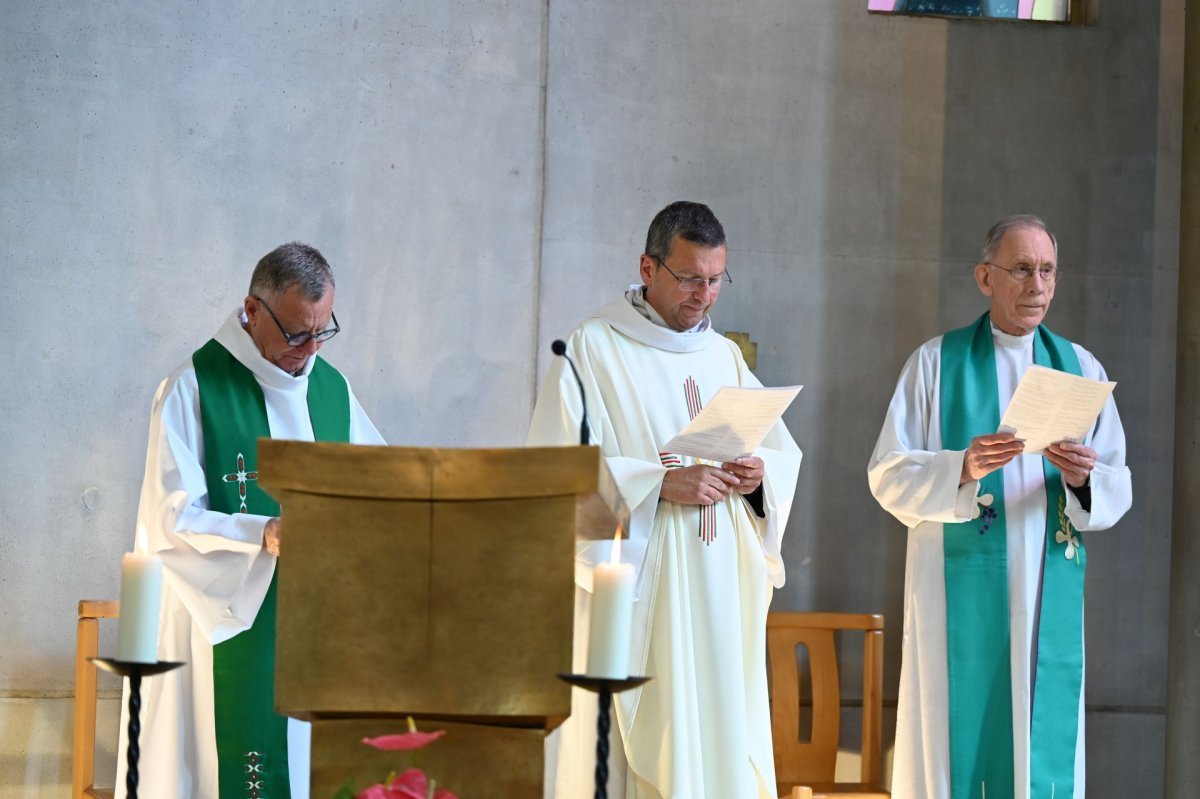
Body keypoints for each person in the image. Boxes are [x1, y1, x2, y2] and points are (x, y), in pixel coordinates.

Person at [528, 201, 802, 799]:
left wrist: (759, 482)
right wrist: (655, 485)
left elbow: (778, 454)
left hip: (721, 594)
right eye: (689, 278)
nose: (703, 296)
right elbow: (552, 475)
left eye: (714, 280)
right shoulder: (592, 349)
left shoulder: (724, 356)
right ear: (648, 267)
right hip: (644, 592)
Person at [867, 215, 1132, 799]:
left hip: (1044, 593)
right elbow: (886, 475)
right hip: (954, 592)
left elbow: (1117, 482)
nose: (1037, 284)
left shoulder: (1082, 370)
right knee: (955, 738)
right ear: (985, 278)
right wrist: (959, 467)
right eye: (1021, 269)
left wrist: (1083, 479)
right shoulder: (935, 364)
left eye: (1047, 271)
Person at [116, 242, 385, 799]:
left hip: (316, 632)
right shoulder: (192, 388)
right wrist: (260, 533)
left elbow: (378, 482)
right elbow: (169, 518)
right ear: (252, 310)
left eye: (323, 330)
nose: (309, 350)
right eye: (295, 334)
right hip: (222, 624)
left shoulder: (330, 389)